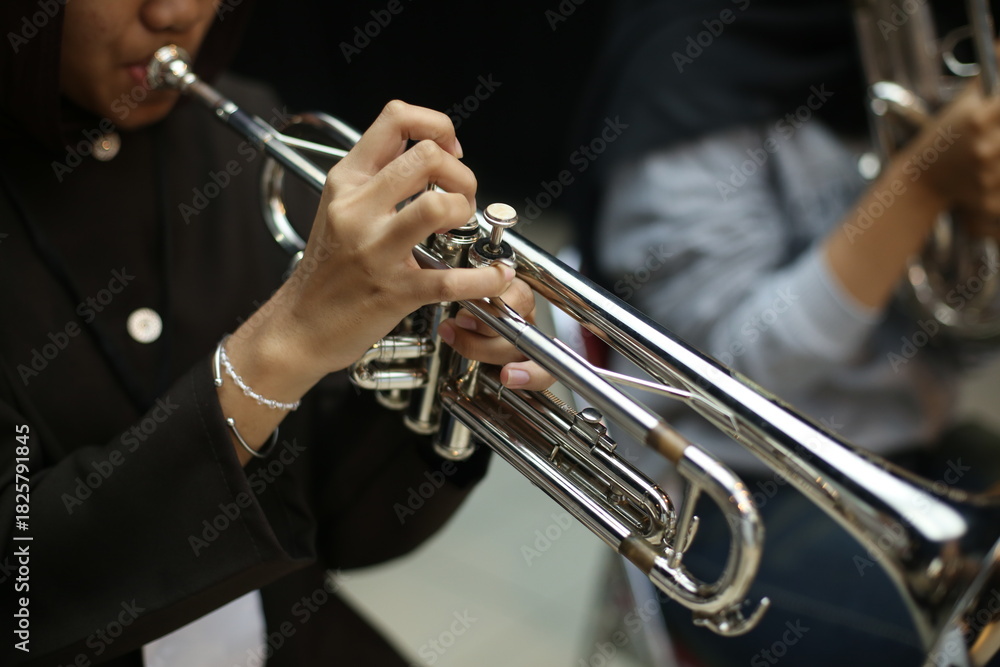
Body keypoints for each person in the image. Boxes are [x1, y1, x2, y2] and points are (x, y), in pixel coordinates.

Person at [0, 0, 551, 664]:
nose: (172, 12)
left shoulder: (242, 128)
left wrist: (452, 374)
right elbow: (22, 599)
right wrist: (282, 346)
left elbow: (343, 530)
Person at [573, 0, 1000, 665]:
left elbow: (960, 326)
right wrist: (919, 186)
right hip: (741, 497)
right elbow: (738, 375)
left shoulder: (875, 38)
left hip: (917, 452)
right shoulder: (683, 69)